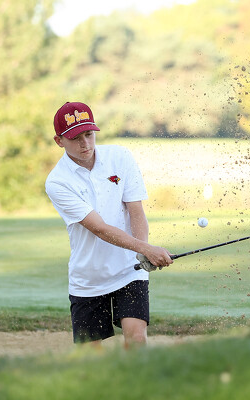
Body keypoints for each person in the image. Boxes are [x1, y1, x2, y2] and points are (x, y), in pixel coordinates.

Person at [45, 101, 173, 347]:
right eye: (75, 138)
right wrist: (147, 249)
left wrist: (142, 254)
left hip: (130, 269)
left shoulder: (120, 157)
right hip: (88, 279)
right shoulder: (58, 181)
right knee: (92, 358)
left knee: (137, 339)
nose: (85, 143)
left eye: (89, 134)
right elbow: (100, 228)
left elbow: (136, 211)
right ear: (59, 141)